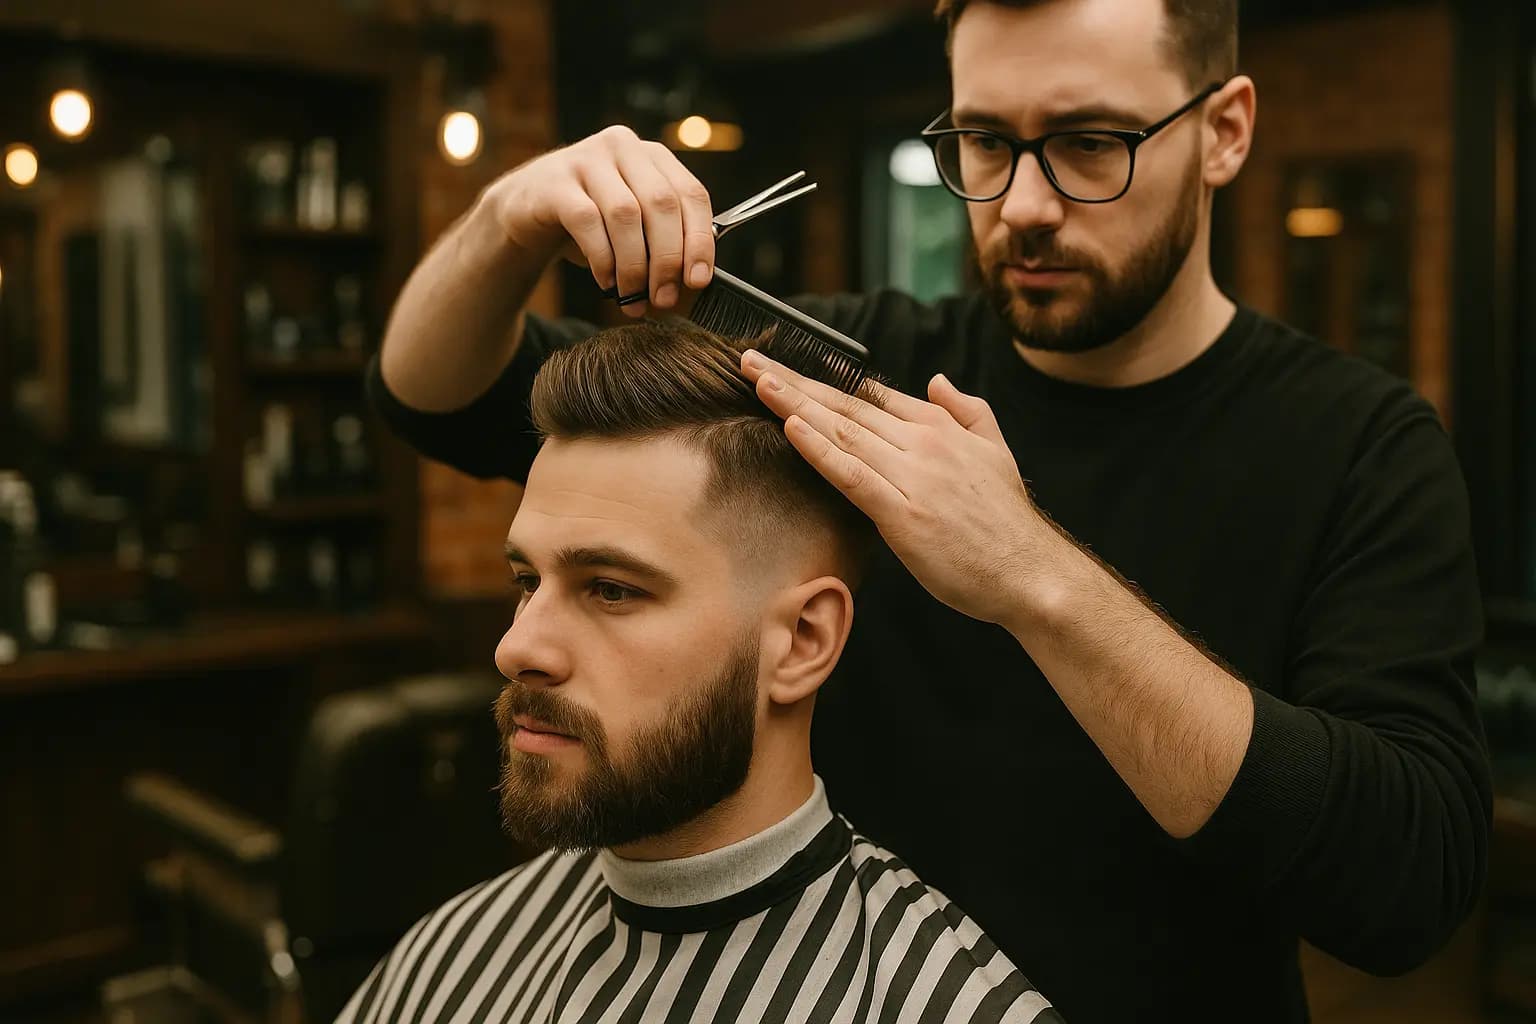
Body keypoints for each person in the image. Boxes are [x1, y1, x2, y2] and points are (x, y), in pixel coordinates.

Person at [364, 0, 1492, 1018]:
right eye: (985, 143)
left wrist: (1034, 577)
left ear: (1227, 128)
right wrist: (511, 218)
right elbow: (437, 399)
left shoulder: (1363, 444)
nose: (1028, 205)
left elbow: (1402, 890)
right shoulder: (863, 373)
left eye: (1093, 142)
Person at [338, 322, 1061, 1024]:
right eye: (528, 580)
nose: (517, 648)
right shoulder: (458, 951)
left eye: (612, 589)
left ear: (803, 641)